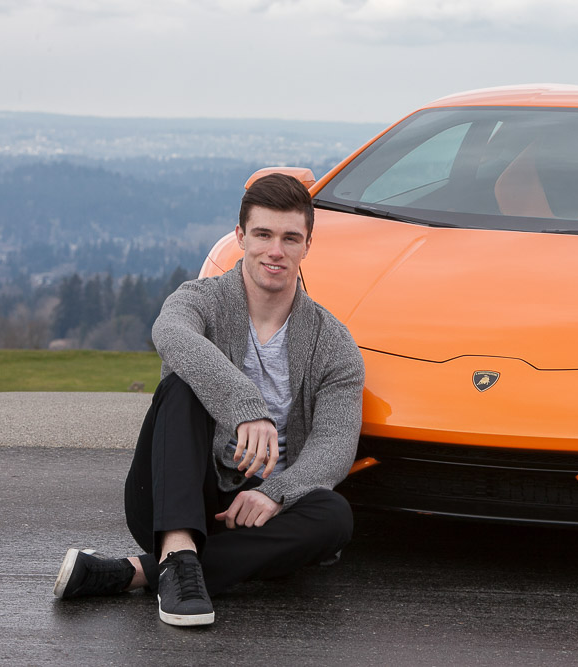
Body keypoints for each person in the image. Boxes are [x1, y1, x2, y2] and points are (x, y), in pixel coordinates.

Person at [53, 173, 365, 626]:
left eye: (290, 238)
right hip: (172, 500)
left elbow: (335, 446)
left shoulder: (334, 343)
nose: (275, 251)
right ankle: (176, 548)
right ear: (240, 237)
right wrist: (246, 409)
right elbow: (170, 333)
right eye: (262, 234)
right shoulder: (201, 300)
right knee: (181, 386)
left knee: (334, 515)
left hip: (257, 517)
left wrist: (275, 494)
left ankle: (141, 571)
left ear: (307, 246)